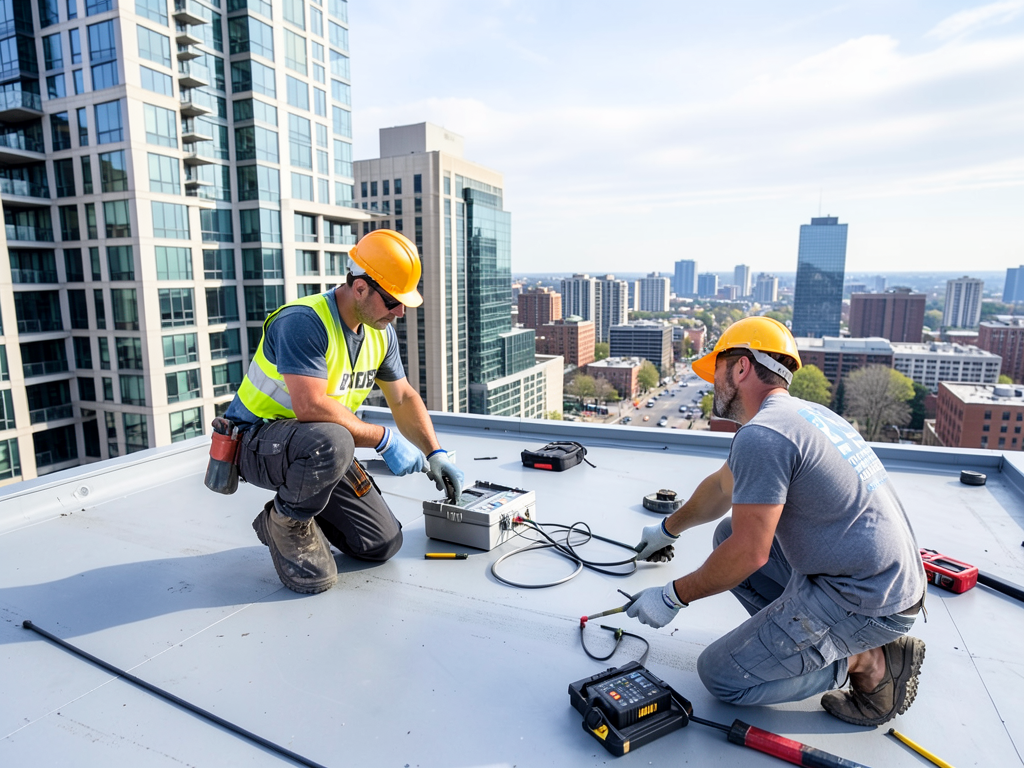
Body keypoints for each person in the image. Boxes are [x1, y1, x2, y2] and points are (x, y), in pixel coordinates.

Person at [627, 316, 926, 726]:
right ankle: (800, 643)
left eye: (717, 370)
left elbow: (750, 554)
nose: (712, 384)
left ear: (741, 367)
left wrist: (671, 596)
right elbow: (721, 488)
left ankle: (866, 662)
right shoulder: (802, 416)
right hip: (880, 580)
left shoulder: (763, 436)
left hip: (868, 601)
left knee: (722, 677)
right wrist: (667, 530)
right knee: (727, 532)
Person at [222, 229, 464, 595]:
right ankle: (286, 521)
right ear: (361, 288)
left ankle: (307, 506)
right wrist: (384, 439)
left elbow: (402, 397)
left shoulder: (379, 333)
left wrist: (435, 453)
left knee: (381, 543)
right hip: (255, 443)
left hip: (315, 448)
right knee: (333, 440)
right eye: (393, 301)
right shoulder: (304, 321)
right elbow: (310, 406)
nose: (400, 312)